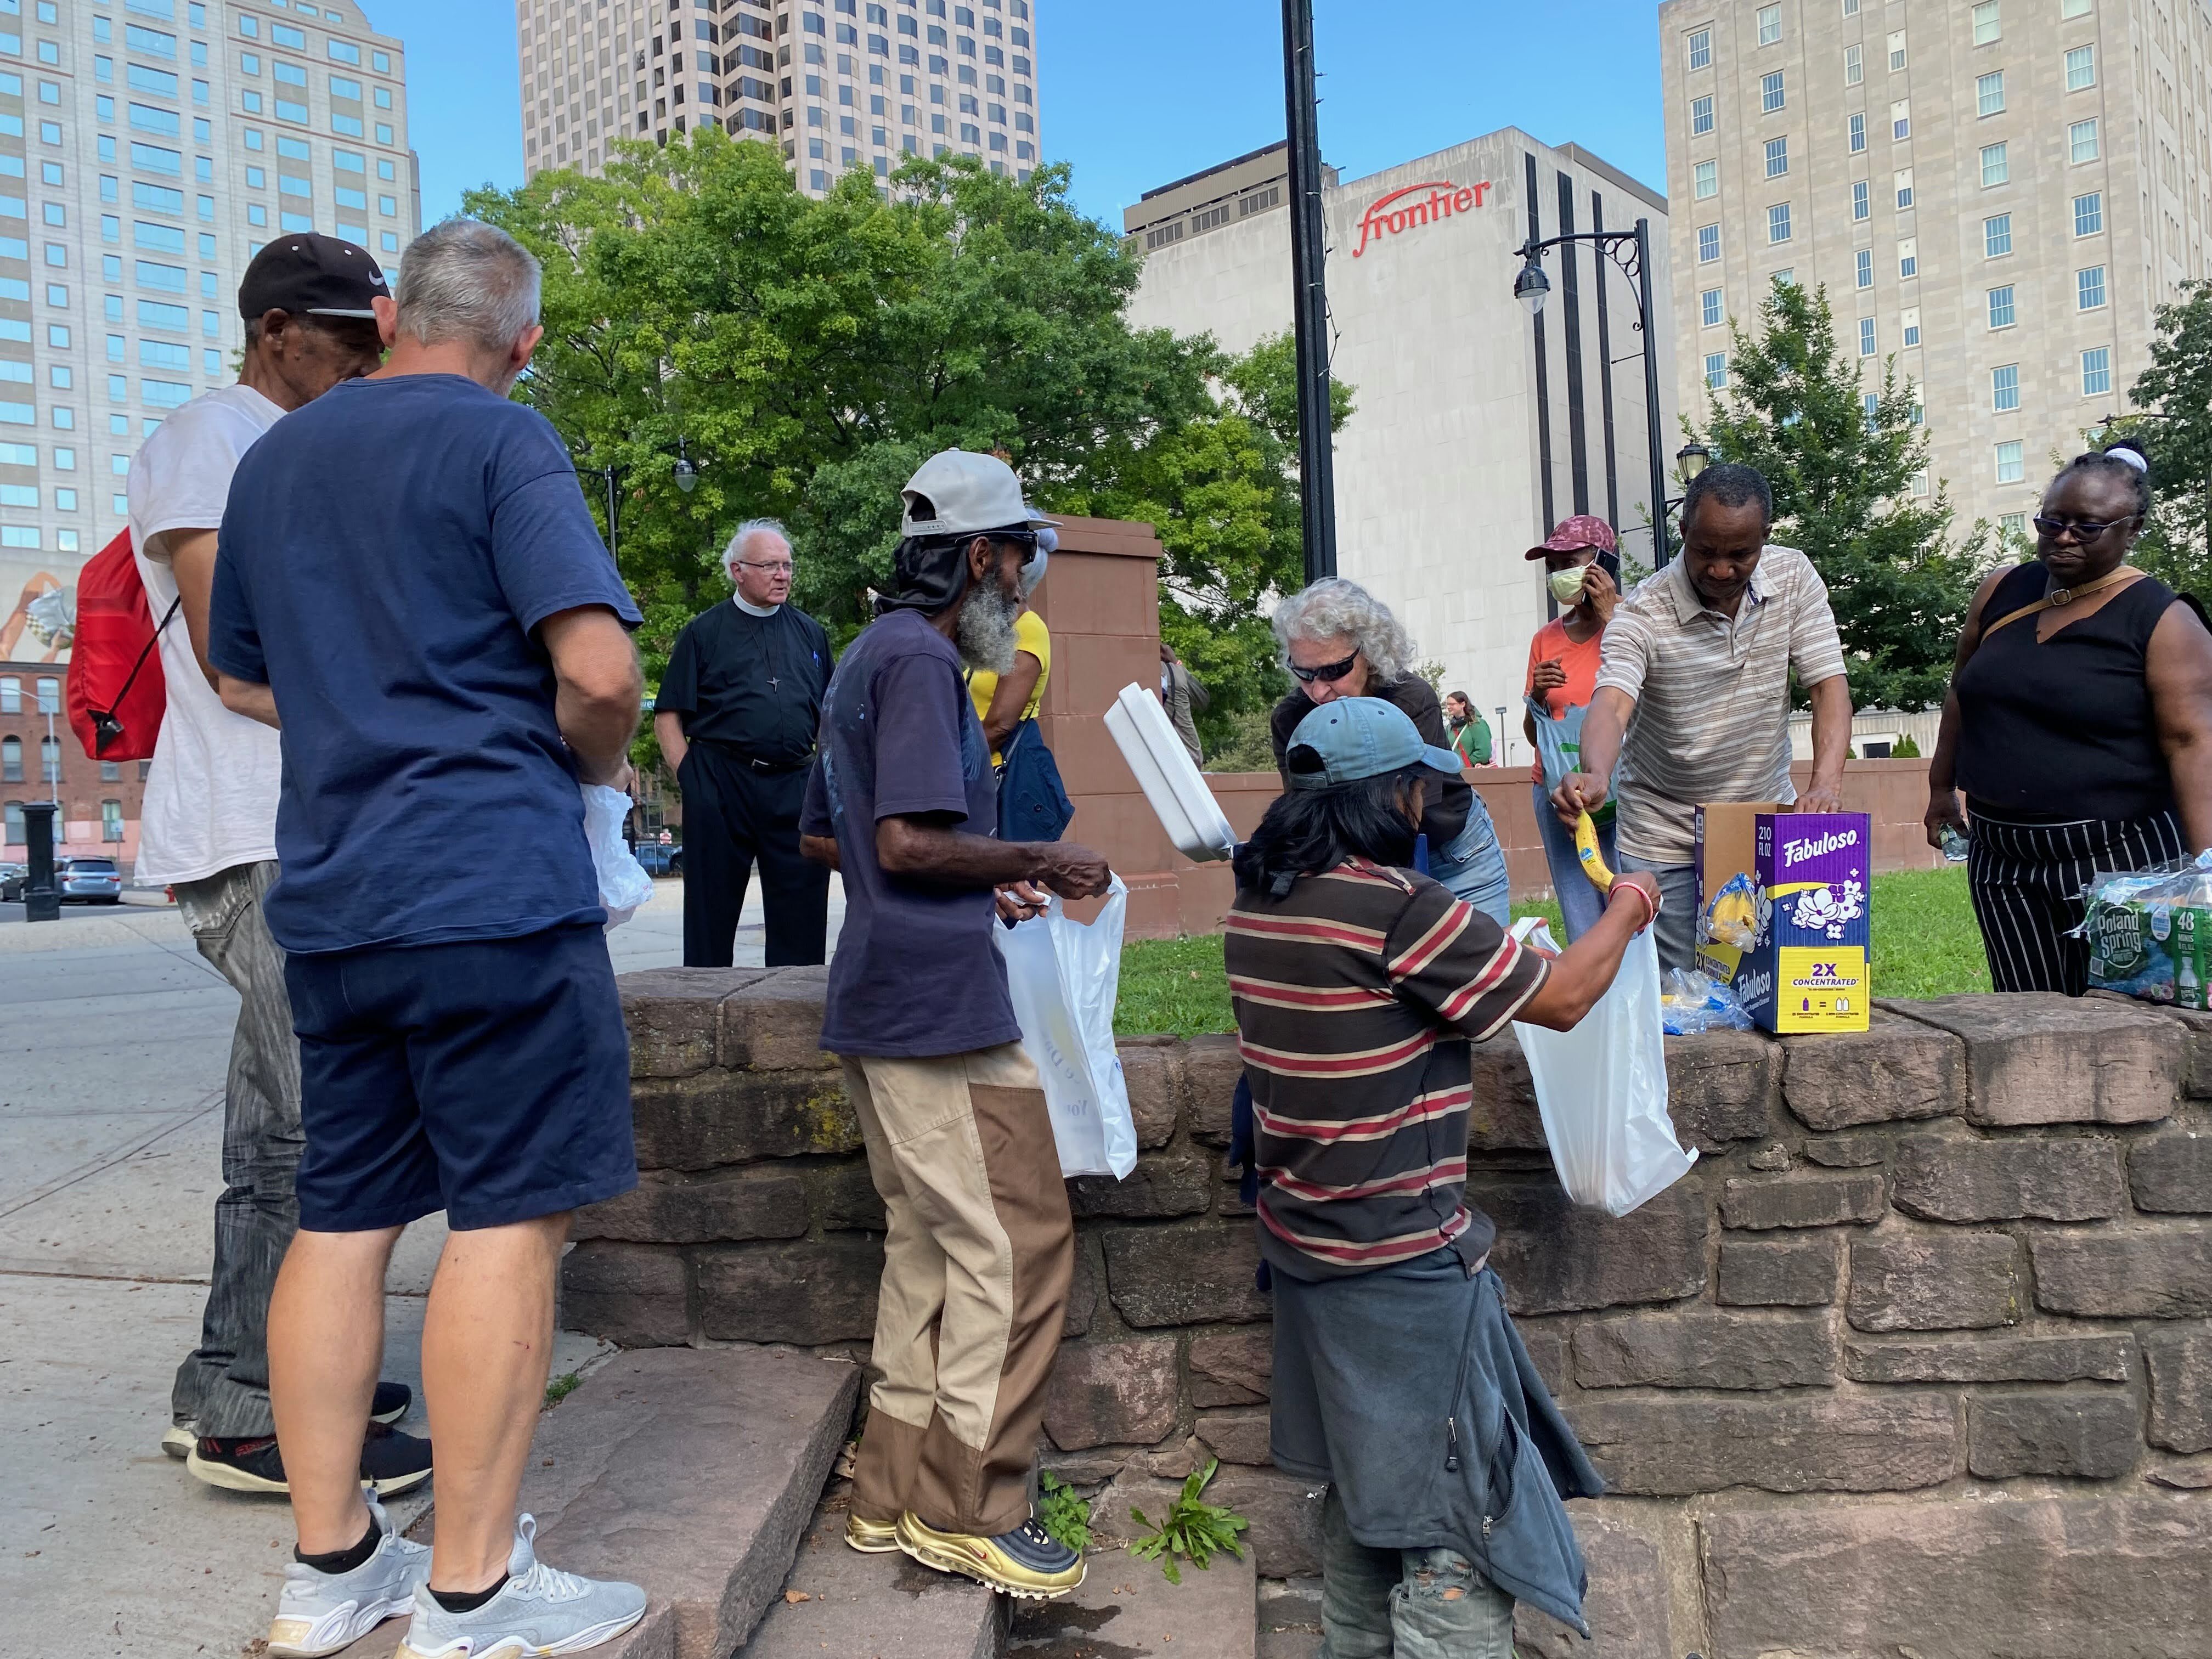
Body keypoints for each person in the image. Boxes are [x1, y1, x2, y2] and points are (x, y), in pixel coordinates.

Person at [207, 219, 648, 1658]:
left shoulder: (276, 460)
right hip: (491, 894)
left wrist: (363, 716)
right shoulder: (503, 443)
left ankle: (332, 1571)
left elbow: (237, 674)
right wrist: (579, 757)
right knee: (509, 1221)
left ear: (391, 314)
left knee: (340, 1219)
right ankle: (472, 1593)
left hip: (335, 904)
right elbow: (598, 667)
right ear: (523, 346)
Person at [1226, 695, 1661, 1657]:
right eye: (1419, 785)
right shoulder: (1394, 909)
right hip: (1403, 1263)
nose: (1429, 801)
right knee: (1456, 1521)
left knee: (1366, 1489)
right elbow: (1562, 996)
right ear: (1389, 796)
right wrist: (1629, 903)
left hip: (1306, 1249)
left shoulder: (1259, 898)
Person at [127, 233, 428, 1498]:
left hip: (307, 830)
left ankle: (253, 1371)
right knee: (306, 1131)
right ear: (273, 332)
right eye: (347, 341)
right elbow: (225, 653)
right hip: (251, 832)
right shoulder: (216, 436)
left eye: (380, 342)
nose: (367, 362)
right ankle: (257, 1406)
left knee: (285, 1120)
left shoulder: (313, 443)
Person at [799, 448, 1111, 1599]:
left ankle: (891, 1495)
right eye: (1018, 560)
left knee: (930, 1247)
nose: (1024, 588)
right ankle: (972, 1507)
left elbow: (828, 838)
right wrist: (1039, 855)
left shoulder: (858, 660)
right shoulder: (926, 664)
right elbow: (902, 844)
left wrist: (980, 877)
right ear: (977, 557)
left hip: (881, 995)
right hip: (938, 1010)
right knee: (1015, 1245)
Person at [1927, 438, 2212, 994]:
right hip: (2002, 859)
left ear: (2131, 531)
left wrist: (2206, 871)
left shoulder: (2165, 620)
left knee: (2122, 1021)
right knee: (2025, 1017)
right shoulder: (2002, 591)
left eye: (2088, 527)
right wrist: (1941, 785)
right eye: (2052, 521)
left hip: (2119, 859)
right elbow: (1963, 690)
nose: (2063, 537)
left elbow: (2192, 743)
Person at [1554, 464, 1853, 972]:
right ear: (1683, 533)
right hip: (1663, 833)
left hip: (1763, 820)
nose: (1720, 569)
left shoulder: (1794, 577)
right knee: (1679, 998)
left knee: (1768, 981)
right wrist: (1596, 773)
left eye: (1740, 554)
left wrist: (1824, 784)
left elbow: (1828, 685)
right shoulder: (1642, 611)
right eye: (1705, 552)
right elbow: (1612, 702)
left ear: (1766, 538)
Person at [1269, 578, 1510, 926]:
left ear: (1370, 653)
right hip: (1361, 865)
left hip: (1455, 854)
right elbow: (1304, 814)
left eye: (1334, 671)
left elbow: (1404, 816)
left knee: (1486, 975)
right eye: (1304, 673)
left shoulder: (1412, 699)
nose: (1319, 691)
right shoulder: (1290, 719)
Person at [654, 518, 834, 968]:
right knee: (711, 917)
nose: (783, 575)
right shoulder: (703, 632)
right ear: (738, 571)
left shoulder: (811, 634)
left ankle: (793, 1023)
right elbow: (668, 714)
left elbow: (829, 717)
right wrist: (692, 781)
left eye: (788, 565)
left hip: (794, 784)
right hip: (722, 782)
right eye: (770, 565)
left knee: (802, 920)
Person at [1521, 515, 1623, 943]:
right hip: (1559, 795)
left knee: (1629, 903)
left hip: (1624, 791)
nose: (1560, 574)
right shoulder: (1545, 639)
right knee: (1581, 911)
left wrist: (1614, 616)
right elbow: (1534, 734)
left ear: (1602, 563)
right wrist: (1538, 699)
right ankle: (1595, 1005)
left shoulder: (1632, 626)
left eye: (1570, 561)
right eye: (1553, 566)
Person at [1160, 640, 1210, 765]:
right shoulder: (1179, 671)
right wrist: (1176, 663)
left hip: (1160, 752)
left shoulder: (1147, 671)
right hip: (1189, 756)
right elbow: (1203, 699)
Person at [1444, 691, 1491, 766]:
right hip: (1454, 773)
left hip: (1473, 773)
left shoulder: (1477, 724)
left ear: (1463, 704)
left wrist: (1467, 764)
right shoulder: (1450, 728)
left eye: (1452, 704)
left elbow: (1484, 752)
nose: (1449, 707)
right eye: (1447, 704)